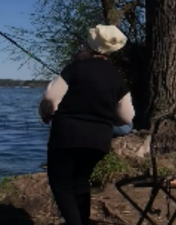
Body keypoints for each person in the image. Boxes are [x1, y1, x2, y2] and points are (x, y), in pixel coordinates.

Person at [38, 24, 135, 225]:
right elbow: (127, 117)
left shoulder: (75, 68)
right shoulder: (117, 78)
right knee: (81, 181)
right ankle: (83, 220)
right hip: (99, 140)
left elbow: (51, 96)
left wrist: (46, 112)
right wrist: (103, 119)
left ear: (90, 46)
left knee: (61, 185)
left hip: (66, 136)